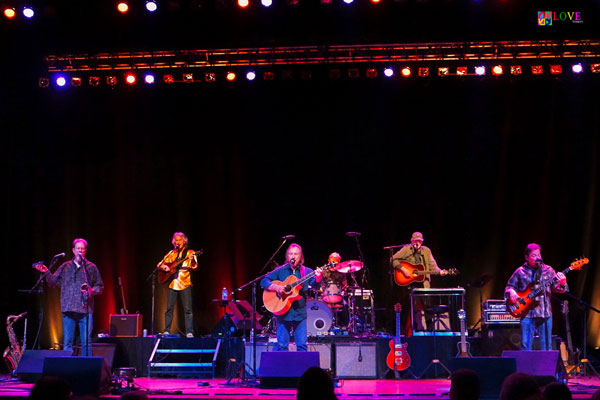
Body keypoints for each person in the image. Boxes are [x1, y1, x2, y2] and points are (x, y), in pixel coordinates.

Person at [34, 238, 104, 356]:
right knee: (68, 343)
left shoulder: (91, 267)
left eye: (82, 248)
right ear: (73, 250)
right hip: (68, 309)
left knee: (86, 342)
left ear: (85, 250)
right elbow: (53, 282)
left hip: (85, 311)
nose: (80, 251)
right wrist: (46, 271)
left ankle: (86, 370)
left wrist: (91, 290)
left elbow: (100, 286)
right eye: (78, 248)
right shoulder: (65, 266)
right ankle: (67, 371)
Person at [505, 243, 567, 351]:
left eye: (539, 254)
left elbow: (557, 288)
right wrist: (511, 292)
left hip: (545, 313)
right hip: (527, 313)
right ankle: (524, 368)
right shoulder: (520, 271)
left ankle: (546, 368)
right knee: (525, 345)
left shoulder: (548, 270)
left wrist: (562, 283)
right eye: (533, 255)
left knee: (547, 346)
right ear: (526, 257)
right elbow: (509, 287)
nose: (537, 257)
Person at [261, 243, 322, 351]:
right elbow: (264, 281)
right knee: (282, 346)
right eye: (290, 254)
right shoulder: (280, 270)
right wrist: (276, 287)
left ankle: (303, 368)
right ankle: (284, 368)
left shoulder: (306, 271)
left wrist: (318, 277)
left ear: (301, 257)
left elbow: (315, 286)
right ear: (287, 256)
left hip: (299, 313)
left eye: (296, 254)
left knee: (302, 347)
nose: (293, 256)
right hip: (282, 313)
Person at [392, 232, 446, 332]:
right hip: (411, 283)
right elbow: (393, 259)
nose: (418, 243)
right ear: (411, 241)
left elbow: (433, 265)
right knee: (414, 307)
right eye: (415, 241)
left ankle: (430, 329)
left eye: (420, 241)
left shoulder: (426, 251)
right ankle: (414, 330)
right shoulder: (406, 249)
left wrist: (441, 271)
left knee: (427, 306)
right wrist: (403, 269)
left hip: (424, 283)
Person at [157, 232, 198, 338]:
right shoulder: (172, 253)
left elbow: (194, 267)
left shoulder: (190, 252)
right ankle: (167, 330)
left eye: (179, 239)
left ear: (184, 241)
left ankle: (189, 331)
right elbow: (160, 264)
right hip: (173, 282)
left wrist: (192, 259)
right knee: (169, 308)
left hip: (185, 282)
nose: (177, 242)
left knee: (188, 309)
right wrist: (165, 268)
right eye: (176, 240)